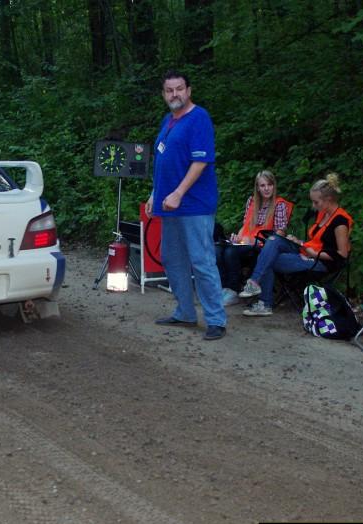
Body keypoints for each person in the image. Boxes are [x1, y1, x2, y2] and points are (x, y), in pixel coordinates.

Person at [146, 70, 226, 340]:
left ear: (188, 90)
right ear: (163, 94)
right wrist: (155, 194)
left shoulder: (198, 118)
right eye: (169, 90)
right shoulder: (168, 121)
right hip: (169, 206)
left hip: (194, 205)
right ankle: (185, 312)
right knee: (172, 259)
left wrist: (179, 193)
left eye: (179, 89)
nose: (174, 94)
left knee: (202, 261)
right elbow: (165, 163)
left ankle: (216, 320)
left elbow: (201, 161)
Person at [238, 173, 352, 316]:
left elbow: (342, 255)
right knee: (273, 241)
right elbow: (317, 241)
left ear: (328, 199)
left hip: (320, 261)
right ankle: (254, 284)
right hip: (306, 251)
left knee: (267, 257)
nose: (313, 206)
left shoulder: (340, 222)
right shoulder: (324, 212)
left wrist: (314, 254)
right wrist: (300, 242)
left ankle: (264, 302)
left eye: (316, 202)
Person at [217, 170, 291, 306]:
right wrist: (237, 237)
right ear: (257, 187)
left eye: (270, 184)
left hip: (262, 246)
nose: (267, 188)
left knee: (230, 252)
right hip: (245, 242)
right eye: (263, 185)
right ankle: (223, 288)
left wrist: (256, 240)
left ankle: (233, 291)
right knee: (219, 249)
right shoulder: (251, 201)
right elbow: (245, 226)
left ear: (274, 186)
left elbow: (281, 233)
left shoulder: (279, 204)